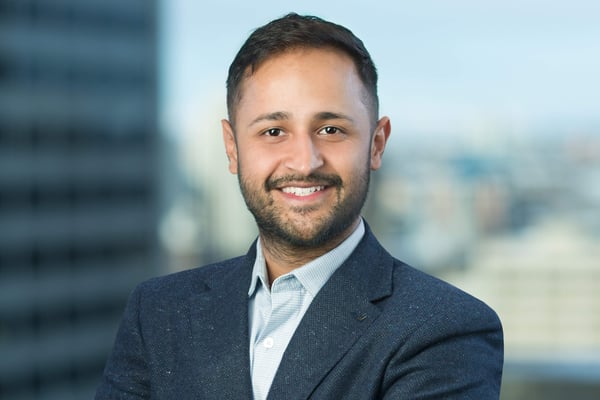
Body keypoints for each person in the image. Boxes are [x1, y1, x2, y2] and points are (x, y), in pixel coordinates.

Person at [96, 13, 503, 399]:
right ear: (232, 147)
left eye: (331, 129)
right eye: (274, 131)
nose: (305, 162)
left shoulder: (444, 328)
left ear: (376, 144)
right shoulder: (159, 311)